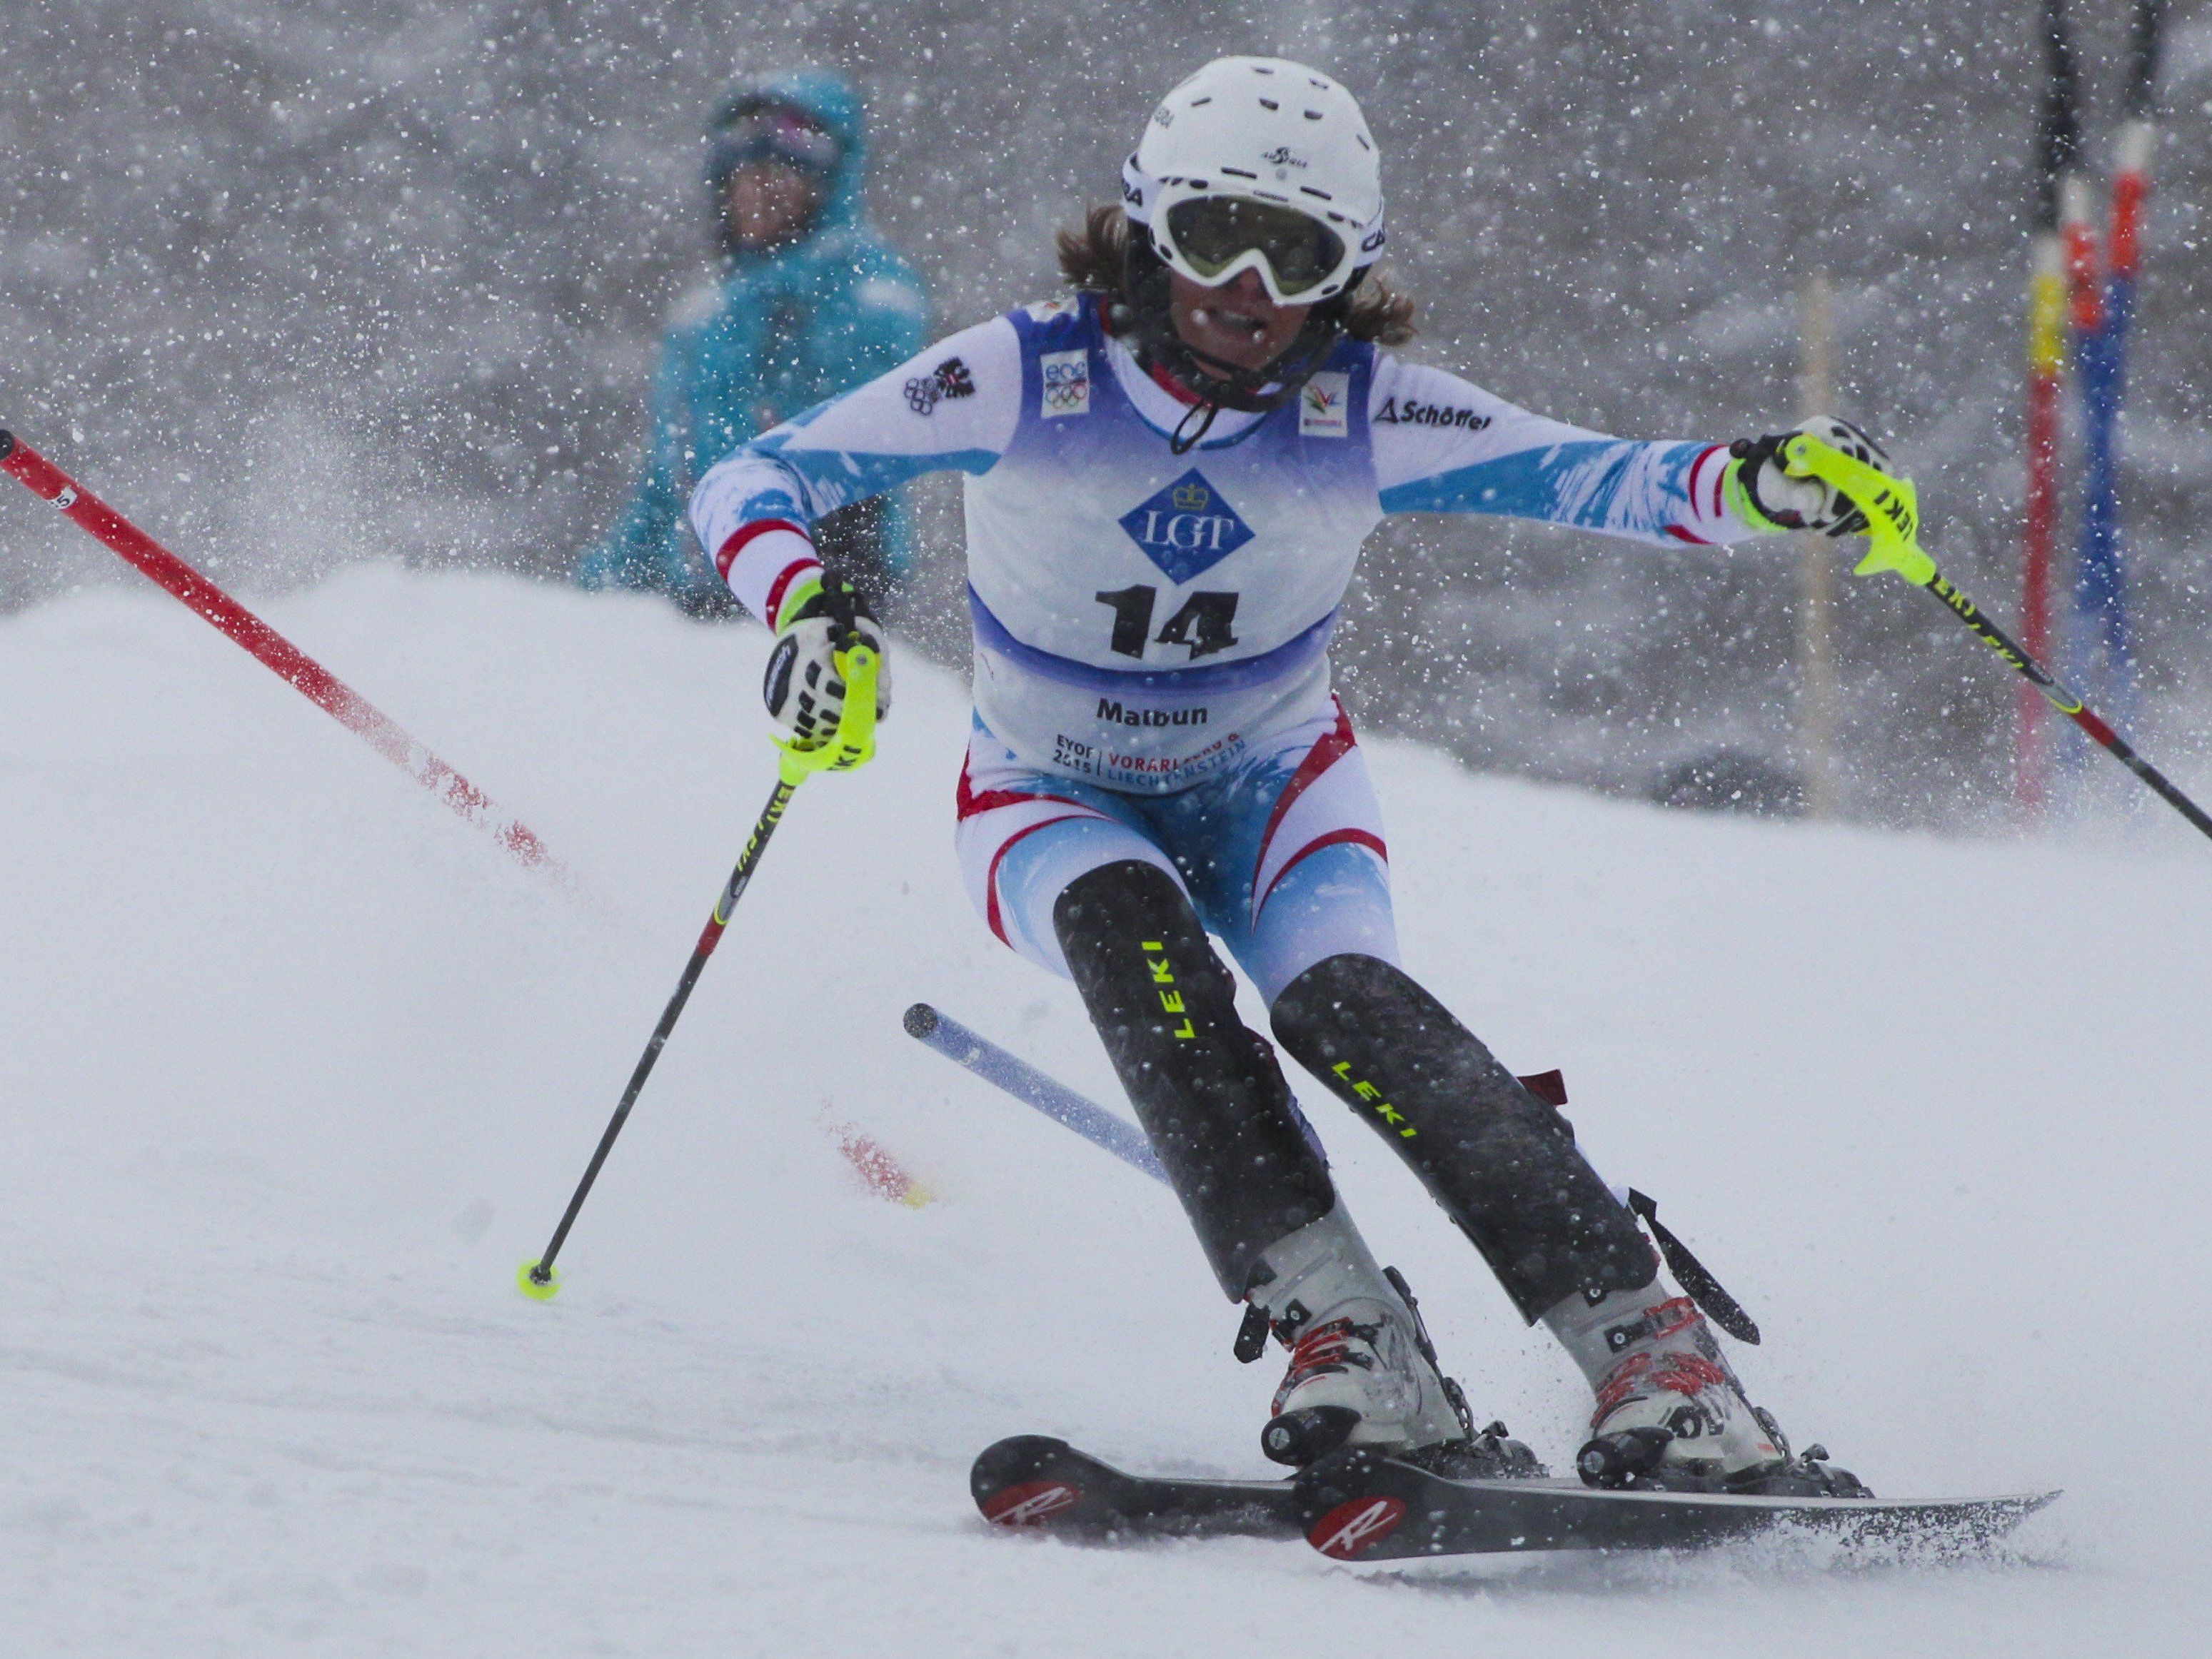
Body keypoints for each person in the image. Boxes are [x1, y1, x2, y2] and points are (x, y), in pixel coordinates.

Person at [690, 56, 1893, 1491]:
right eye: (1211, 237)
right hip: (1049, 796)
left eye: (1299, 254)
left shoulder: (1359, 409)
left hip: (1270, 793)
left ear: (1348, 275)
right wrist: (803, 610)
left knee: (1346, 1007)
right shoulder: (1022, 373)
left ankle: (1662, 1362)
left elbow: (1606, 477)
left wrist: (1759, 483)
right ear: (1143, 228)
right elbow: (750, 479)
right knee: (1136, 949)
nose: (1249, 287)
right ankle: (1349, 1336)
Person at [577, 70, 928, 617]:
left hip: (818, 603)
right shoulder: (702, 320)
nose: (760, 194)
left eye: (784, 177)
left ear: (827, 189)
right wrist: (593, 598)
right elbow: (663, 488)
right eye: (745, 178)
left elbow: (860, 475)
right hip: (694, 607)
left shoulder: (871, 302)